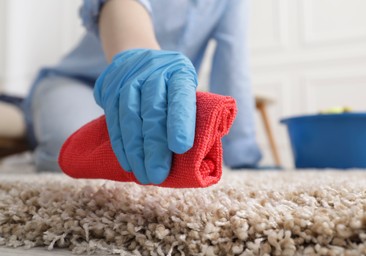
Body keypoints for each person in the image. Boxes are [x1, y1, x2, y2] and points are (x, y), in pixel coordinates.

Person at [23, 0, 262, 184]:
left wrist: (242, 157)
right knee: (67, 151)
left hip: (157, 94)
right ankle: (31, 117)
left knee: (152, 147)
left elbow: (233, 63)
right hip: (78, 82)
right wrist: (137, 54)